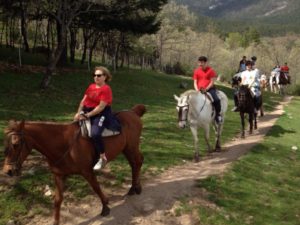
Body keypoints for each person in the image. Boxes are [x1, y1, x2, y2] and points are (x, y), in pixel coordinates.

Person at [74, 66, 115, 170]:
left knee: (95, 133)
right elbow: (83, 101)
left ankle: (102, 157)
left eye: (99, 75)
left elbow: (101, 107)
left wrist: (87, 115)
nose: (96, 77)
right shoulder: (91, 86)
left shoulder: (106, 89)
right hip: (87, 110)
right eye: (94, 75)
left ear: (105, 77)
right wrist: (78, 113)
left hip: (101, 113)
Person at [193, 56, 222, 124]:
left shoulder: (211, 71)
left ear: (206, 63)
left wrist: (206, 89)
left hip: (209, 89)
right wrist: (197, 90)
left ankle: (218, 115)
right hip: (199, 90)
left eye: (202, 62)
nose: (200, 64)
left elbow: (212, 82)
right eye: (199, 62)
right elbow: (195, 82)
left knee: (217, 100)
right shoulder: (196, 71)